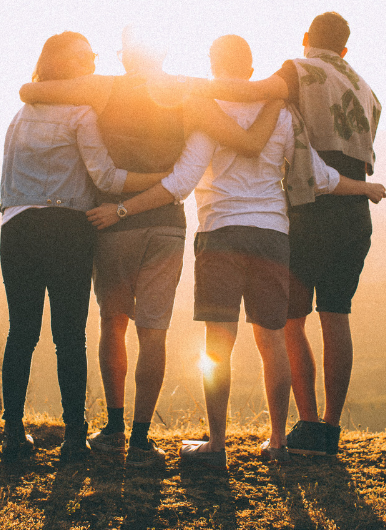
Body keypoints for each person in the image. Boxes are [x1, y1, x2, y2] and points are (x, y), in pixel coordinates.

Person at [87, 35, 385, 469]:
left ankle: (217, 445)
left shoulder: (207, 111)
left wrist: (122, 208)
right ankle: (278, 441)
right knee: (272, 341)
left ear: (212, 65)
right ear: (250, 70)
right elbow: (318, 176)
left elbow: (181, 182)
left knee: (218, 346)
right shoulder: (282, 113)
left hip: (220, 234)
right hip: (272, 237)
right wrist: (365, 188)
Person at [18, 26, 280, 467]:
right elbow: (247, 142)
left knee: (113, 322)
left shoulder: (102, 89)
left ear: (124, 57)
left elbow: (31, 91)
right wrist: (277, 97)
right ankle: (141, 439)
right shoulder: (188, 94)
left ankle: (113, 427)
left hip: (112, 222)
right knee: (153, 331)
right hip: (166, 225)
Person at [194, 13, 383, 456]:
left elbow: (253, 92)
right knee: (337, 316)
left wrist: (187, 88)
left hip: (309, 207)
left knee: (289, 323)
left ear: (305, 40)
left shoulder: (298, 71)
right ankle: (329, 432)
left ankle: (306, 425)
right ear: (346, 49)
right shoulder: (367, 90)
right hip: (353, 210)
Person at [0, 31, 169, 463]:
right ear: (65, 65)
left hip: (16, 227)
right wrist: (162, 181)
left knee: (21, 333)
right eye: (85, 56)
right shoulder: (80, 113)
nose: (93, 61)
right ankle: (75, 436)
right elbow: (107, 180)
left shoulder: (20, 115)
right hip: (67, 229)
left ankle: (13, 434)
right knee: (69, 337)